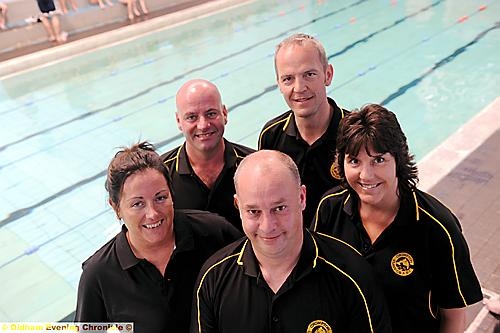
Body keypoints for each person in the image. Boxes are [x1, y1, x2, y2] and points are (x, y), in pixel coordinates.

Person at [311, 104, 483, 332]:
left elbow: (453, 315)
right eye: (354, 161)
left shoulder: (436, 226)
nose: (366, 175)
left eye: (378, 160)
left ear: (398, 160)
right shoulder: (329, 208)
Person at [191, 150, 392, 333]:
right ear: (238, 206)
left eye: (279, 208)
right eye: (254, 211)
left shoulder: (352, 277)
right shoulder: (213, 279)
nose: (267, 226)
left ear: (302, 197)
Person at [75, 142, 241, 332]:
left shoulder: (214, 233)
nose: (152, 213)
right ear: (116, 208)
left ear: (172, 194)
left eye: (160, 198)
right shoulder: (99, 275)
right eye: (138, 204)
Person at [258, 33, 348, 227]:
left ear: (328, 75)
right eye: (288, 79)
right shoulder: (271, 136)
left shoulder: (353, 133)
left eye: (309, 74)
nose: (299, 88)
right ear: (279, 84)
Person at [161, 79, 254, 231]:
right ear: (179, 121)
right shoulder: (161, 174)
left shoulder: (252, 167)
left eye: (211, 114)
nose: (203, 125)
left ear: (224, 113)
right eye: (192, 117)